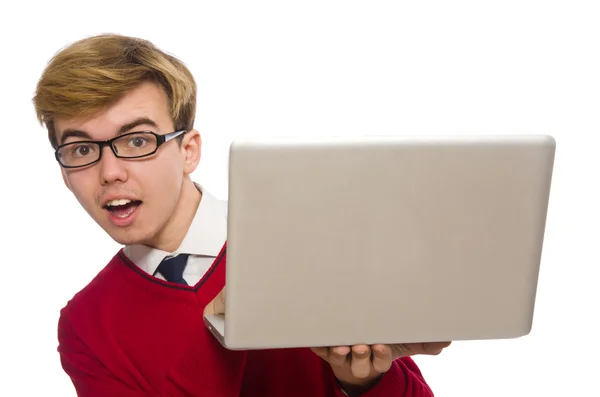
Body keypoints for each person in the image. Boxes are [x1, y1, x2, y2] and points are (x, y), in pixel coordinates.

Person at [33, 34, 451, 397]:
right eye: (82, 150)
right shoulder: (86, 327)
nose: (110, 172)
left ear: (189, 151)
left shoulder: (310, 241)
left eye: (138, 140)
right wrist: (224, 322)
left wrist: (361, 384)